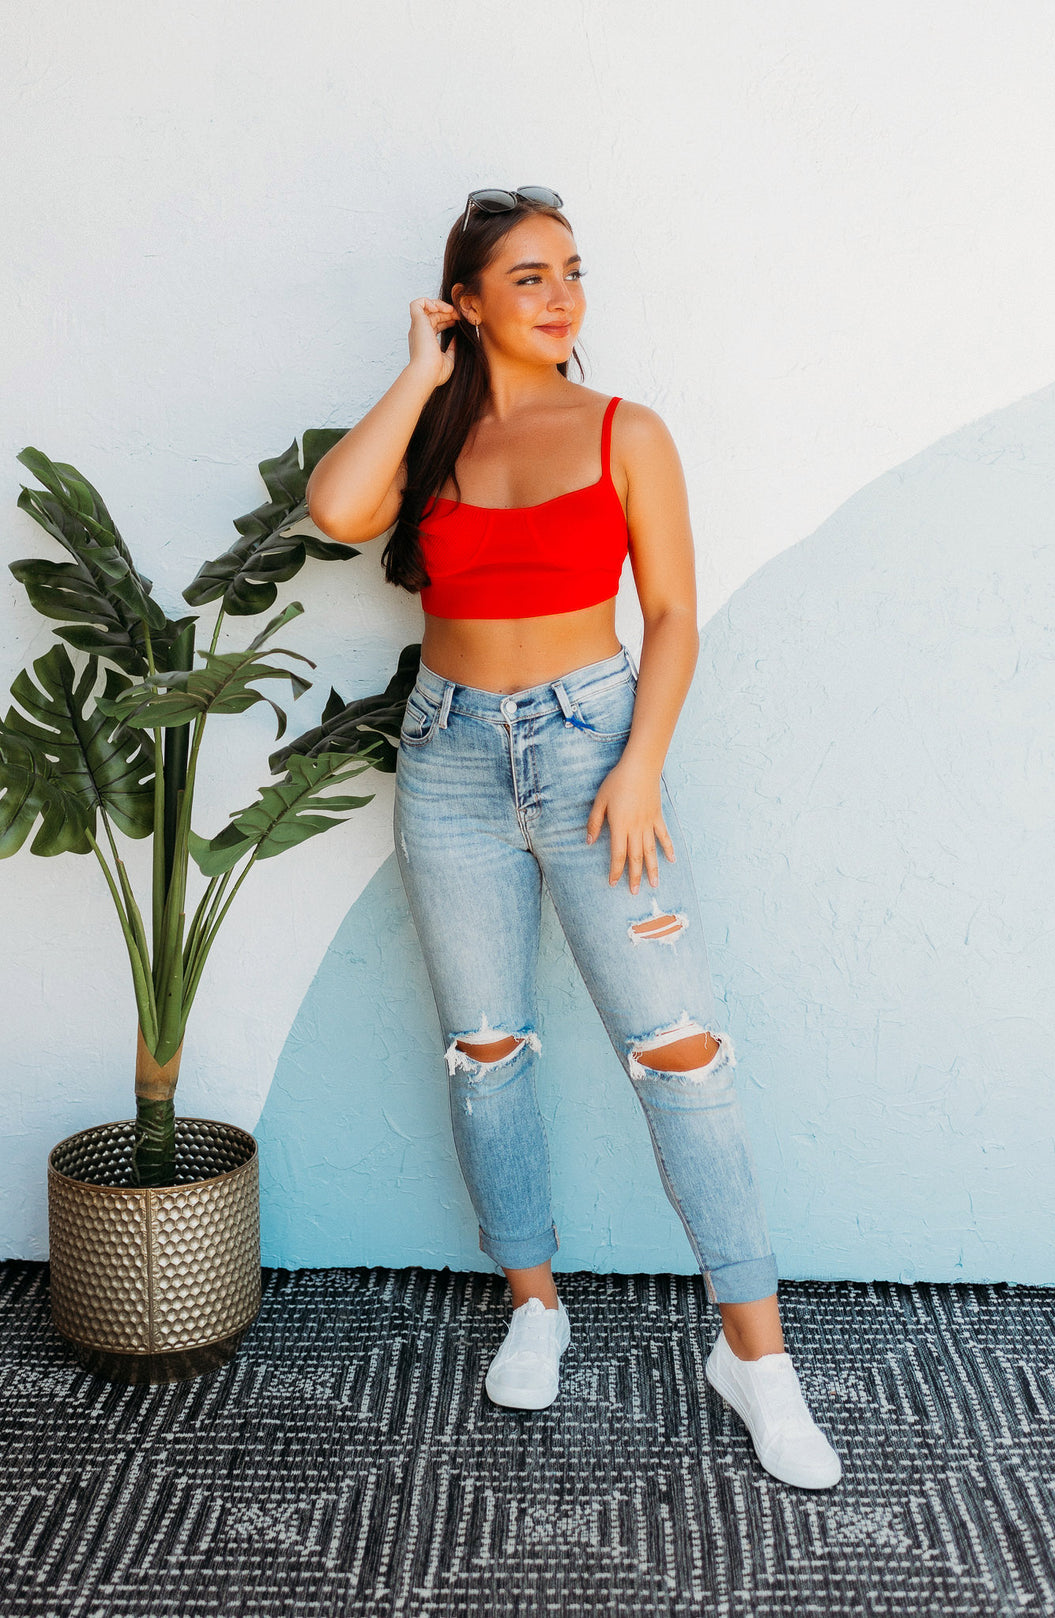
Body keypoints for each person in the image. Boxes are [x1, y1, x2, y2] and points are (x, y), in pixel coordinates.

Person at [306, 187, 841, 1490]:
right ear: (467, 300)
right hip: (448, 759)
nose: (562, 298)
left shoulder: (624, 429)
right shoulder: (431, 436)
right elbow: (335, 510)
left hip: (595, 747)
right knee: (486, 1051)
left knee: (680, 1053)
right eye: (528, 276)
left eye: (572, 272)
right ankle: (534, 1304)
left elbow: (673, 614)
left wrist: (641, 764)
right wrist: (418, 370)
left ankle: (757, 1359)